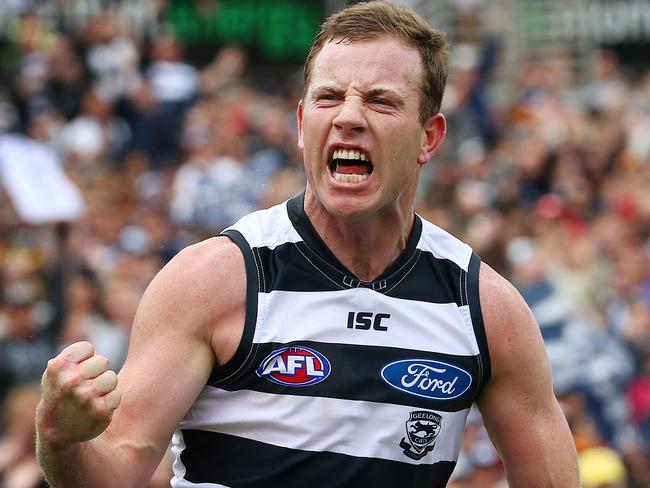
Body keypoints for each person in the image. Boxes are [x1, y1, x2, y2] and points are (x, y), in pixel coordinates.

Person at [35, 2, 580, 487]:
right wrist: (61, 440)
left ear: (428, 137)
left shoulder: (484, 308)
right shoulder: (217, 280)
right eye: (328, 97)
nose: (347, 116)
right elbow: (116, 471)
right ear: (301, 123)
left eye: (381, 101)